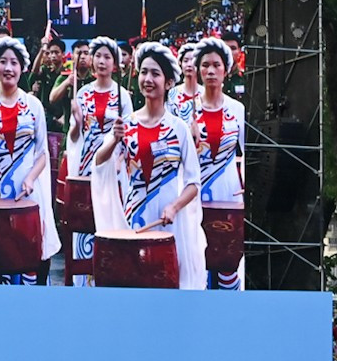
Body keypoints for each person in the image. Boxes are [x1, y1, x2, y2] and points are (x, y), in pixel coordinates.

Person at [93, 42, 207, 288]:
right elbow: (99, 161)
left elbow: (194, 183)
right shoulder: (127, 124)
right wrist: (114, 139)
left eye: (155, 73)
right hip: (134, 219)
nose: (147, 78)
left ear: (168, 83)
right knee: (133, 280)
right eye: (144, 72)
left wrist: (175, 207)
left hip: (170, 223)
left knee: (166, 284)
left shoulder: (179, 129)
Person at [0, 36, 60, 284]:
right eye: (3, 62)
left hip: (25, 195)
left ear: (22, 68)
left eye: (14, 62)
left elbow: (42, 154)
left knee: (25, 257)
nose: (9, 68)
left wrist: (30, 178)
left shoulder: (33, 105)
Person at [65, 37, 130, 286]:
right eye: (98, 56)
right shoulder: (82, 93)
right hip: (86, 166)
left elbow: (127, 138)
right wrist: (78, 122)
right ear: (91, 60)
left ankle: (109, 278)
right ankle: (83, 284)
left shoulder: (122, 96)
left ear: (115, 63)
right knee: (84, 223)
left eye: (107, 57)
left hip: (112, 169)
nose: (102, 61)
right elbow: (74, 136)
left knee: (108, 223)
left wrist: (118, 162)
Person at [191, 36, 246, 290]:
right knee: (197, 261)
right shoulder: (186, 110)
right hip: (193, 195)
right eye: (205, 65)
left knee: (227, 260)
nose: (210, 71)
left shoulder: (237, 110)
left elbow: (246, 154)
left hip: (228, 195)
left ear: (226, 70)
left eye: (216, 65)